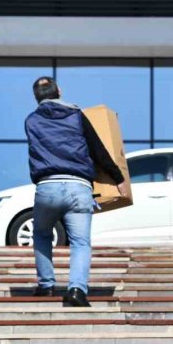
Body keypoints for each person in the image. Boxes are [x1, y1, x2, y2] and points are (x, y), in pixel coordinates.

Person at [25, 76, 126, 307]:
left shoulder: (31, 121)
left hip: (47, 186)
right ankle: (77, 290)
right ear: (59, 91)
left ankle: (46, 285)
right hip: (78, 186)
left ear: (35, 97)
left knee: (42, 235)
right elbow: (97, 150)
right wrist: (118, 178)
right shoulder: (77, 116)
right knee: (80, 242)